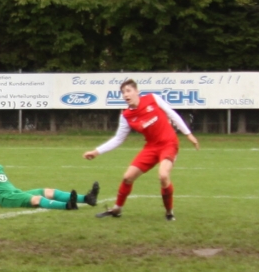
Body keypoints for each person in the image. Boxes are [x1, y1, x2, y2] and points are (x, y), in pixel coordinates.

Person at [85, 78, 199, 221]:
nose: (126, 94)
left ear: (137, 91)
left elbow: (172, 114)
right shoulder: (126, 115)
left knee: (163, 176)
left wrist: (188, 134)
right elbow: (118, 139)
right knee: (127, 177)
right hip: (151, 147)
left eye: (128, 91)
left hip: (169, 143)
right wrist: (96, 151)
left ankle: (169, 212)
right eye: (123, 92)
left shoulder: (152, 98)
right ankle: (117, 210)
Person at [0, 141, 80, 210]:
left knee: (48, 191)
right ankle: (67, 206)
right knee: (37, 199)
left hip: (16, 192)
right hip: (7, 198)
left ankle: (86, 198)